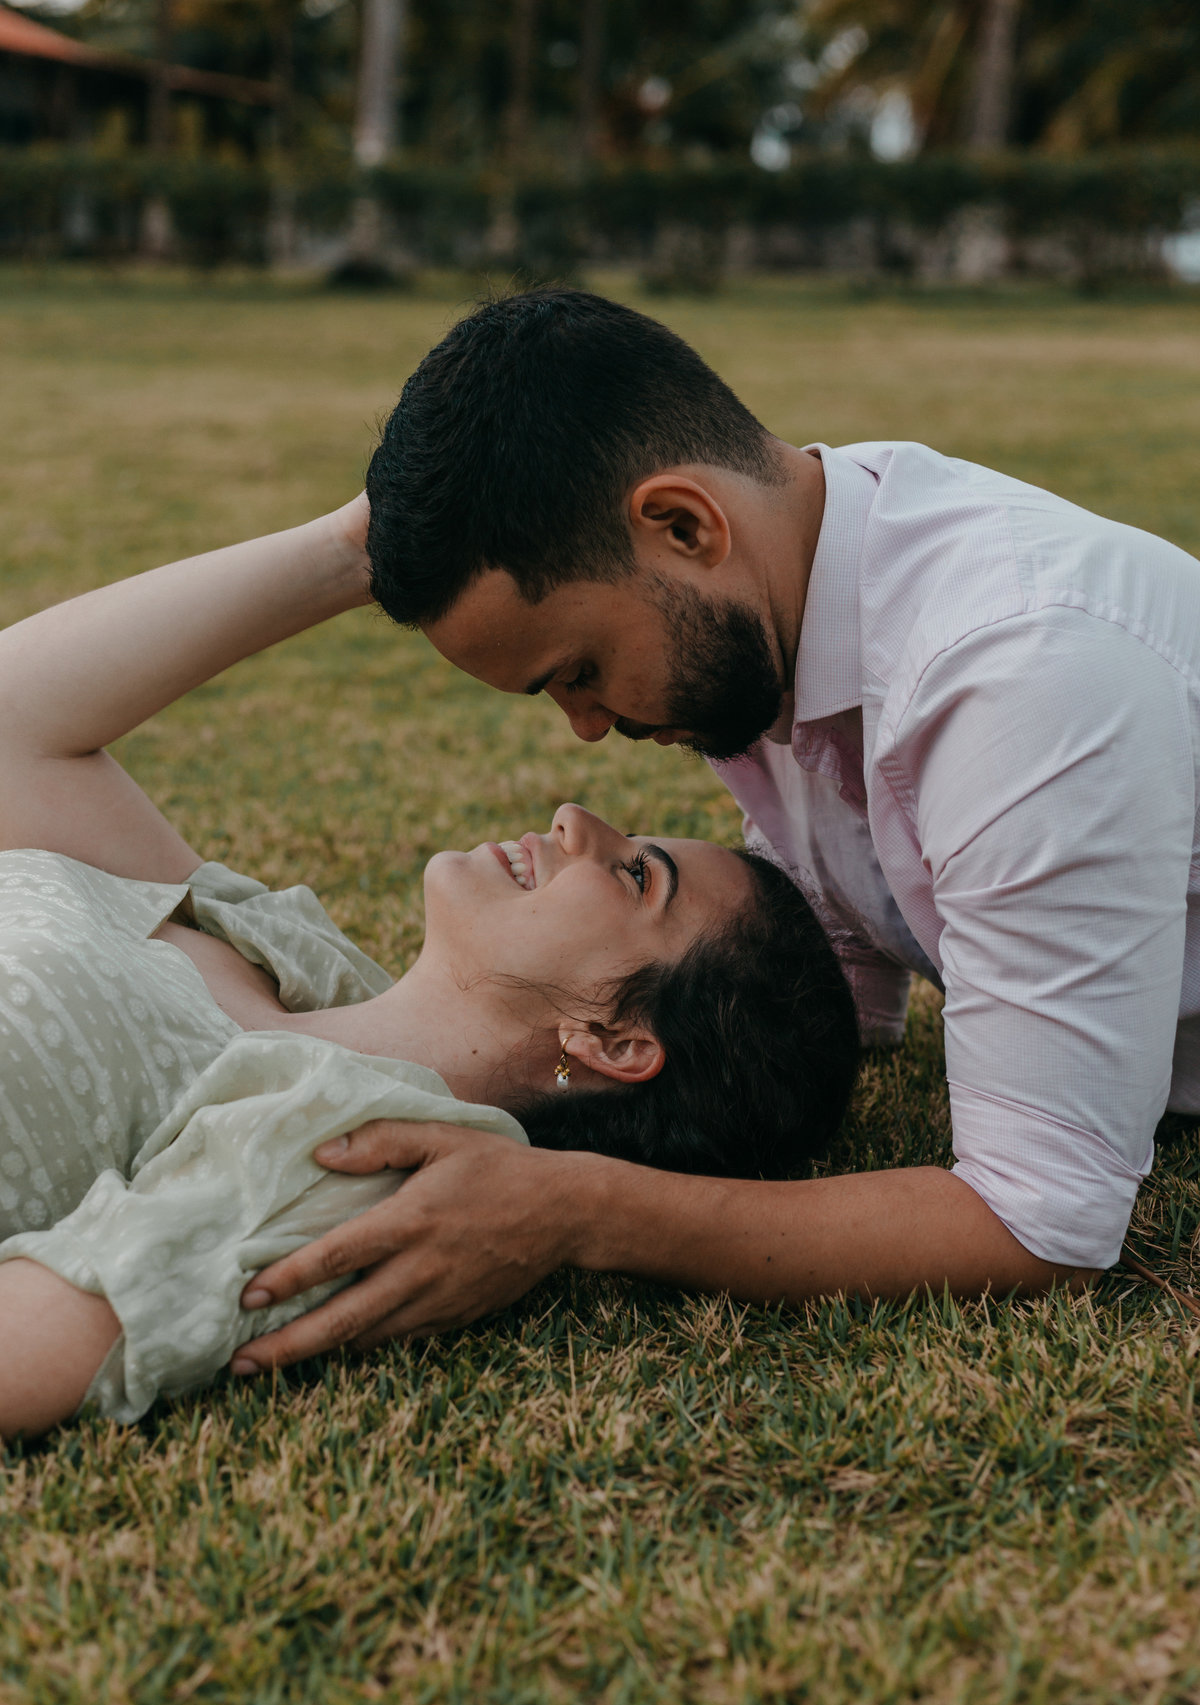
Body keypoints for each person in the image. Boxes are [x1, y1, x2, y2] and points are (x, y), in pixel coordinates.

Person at [227, 286, 1200, 1378]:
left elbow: (1043, 1224)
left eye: (582, 673)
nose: (589, 732)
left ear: (686, 525)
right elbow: (835, 991)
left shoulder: (1021, 676)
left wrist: (578, 1206)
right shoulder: (776, 585)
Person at [0, 494, 859, 1440]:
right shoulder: (291, 963)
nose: (577, 819)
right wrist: (362, 549)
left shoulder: (355, 1165)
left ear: (611, 1040)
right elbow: (15, 726)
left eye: (635, 874)